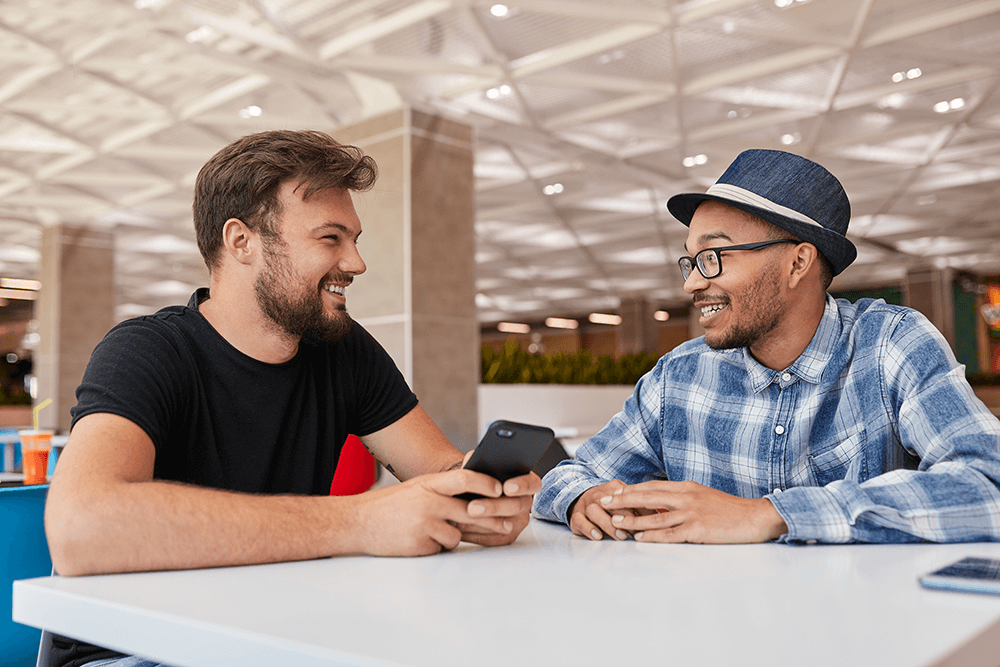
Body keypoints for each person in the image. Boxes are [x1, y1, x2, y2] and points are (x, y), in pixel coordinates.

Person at [44, 130, 540, 667]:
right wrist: (360, 521)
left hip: (275, 631)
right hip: (131, 650)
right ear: (241, 242)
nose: (357, 262)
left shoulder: (343, 350)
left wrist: (482, 500)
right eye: (331, 238)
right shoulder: (146, 351)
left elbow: (437, 468)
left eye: (354, 238)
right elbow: (80, 527)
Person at [533, 148, 1000, 545]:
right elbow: (569, 475)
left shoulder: (889, 346)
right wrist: (584, 499)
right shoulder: (678, 376)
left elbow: (988, 484)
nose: (692, 282)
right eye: (691, 260)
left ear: (798, 262)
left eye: (713, 257)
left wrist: (766, 514)